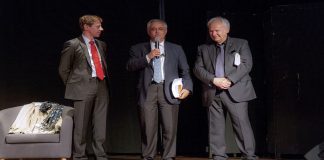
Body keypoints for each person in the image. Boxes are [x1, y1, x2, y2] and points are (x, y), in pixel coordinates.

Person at [126, 19, 193, 160]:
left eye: (160, 29)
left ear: (166, 31)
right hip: (147, 90)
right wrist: (148, 56)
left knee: (169, 127)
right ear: (148, 31)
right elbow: (130, 66)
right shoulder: (138, 48)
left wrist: (187, 87)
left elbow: (185, 71)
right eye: (153, 29)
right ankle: (148, 156)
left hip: (168, 89)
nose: (157, 32)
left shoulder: (176, 48)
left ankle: (168, 157)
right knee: (148, 128)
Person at [193, 16, 257, 160]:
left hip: (236, 90)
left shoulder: (241, 43)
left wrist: (229, 80)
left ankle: (249, 156)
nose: (214, 34)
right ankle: (218, 155)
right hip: (213, 91)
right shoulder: (203, 48)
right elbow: (197, 68)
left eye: (217, 30)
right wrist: (213, 79)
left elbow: (246, 64)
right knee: (215, 126)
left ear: (227, 30)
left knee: (241, 125)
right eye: (211, 31)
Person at [59, 15, 109, 160]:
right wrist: (74, 86)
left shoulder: (101, 45)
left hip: (101, 85)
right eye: (97, 26)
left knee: (100, 123)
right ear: (87, 27)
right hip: (82, 87)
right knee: (80, 124)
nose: (101, 29)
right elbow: (63, 69)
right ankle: (79, 155)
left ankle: (100, 155)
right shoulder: (73, 44)